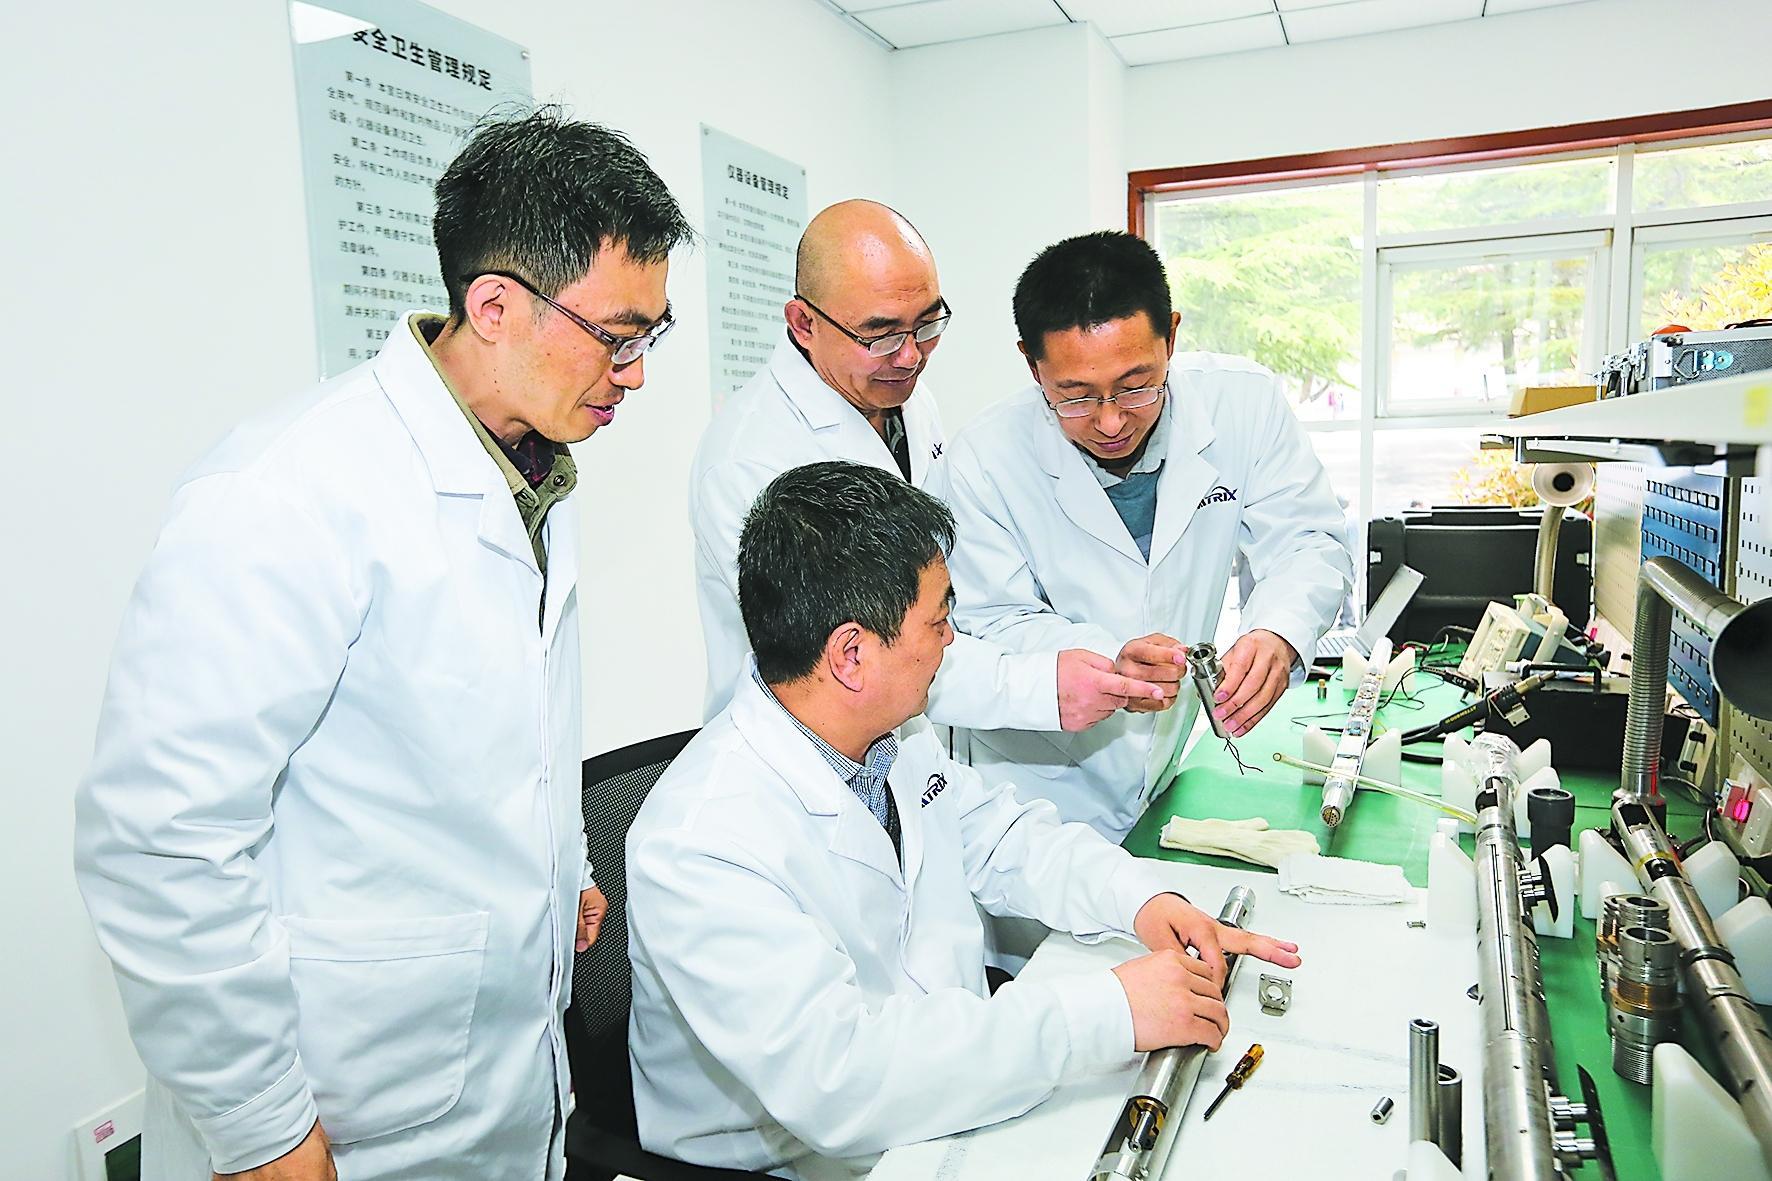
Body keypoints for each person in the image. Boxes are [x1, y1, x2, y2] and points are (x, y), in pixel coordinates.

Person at [72, 109, 691, 1181]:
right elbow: (159, 840)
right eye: (616, 335)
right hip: (340, 1111)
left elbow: (488, 734)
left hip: (501, 1084)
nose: (633, 373)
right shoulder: (286, 492)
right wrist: (260, 1125)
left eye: (649, 335)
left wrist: (564, 862)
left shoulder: (534, 472)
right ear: (492, 306)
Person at [627, 461, 1301, 1178]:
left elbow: (1002, 837)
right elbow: (838, 1080)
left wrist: (1140, 899)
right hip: (798, 1161)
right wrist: (1110, 1011)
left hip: (946, 1102)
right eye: (939, 620)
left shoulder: (889, 733)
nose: (951, 640)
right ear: (851, 655)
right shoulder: (701, 842)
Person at [927, 231, 1352, 841]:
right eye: (1075, 397)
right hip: (1037, 785)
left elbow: (1306, 540)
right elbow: (991, 620)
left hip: (1162, 767)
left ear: (1171, 336)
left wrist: (1278, 631)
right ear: (1032, 364)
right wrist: (1109, 656)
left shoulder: (1243, 404)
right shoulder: (982, 460)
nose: (1110, 421)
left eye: (1135, 385)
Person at [689, 199, 1167, 734]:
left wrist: (1077, 656)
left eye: (927, 324)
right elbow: (863, 653)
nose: (911, 356)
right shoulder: (749, 463)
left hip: (911, 738)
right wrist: (1036, 688)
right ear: (804, 324)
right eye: (882, 335)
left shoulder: (906, 400)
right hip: (808, 754)